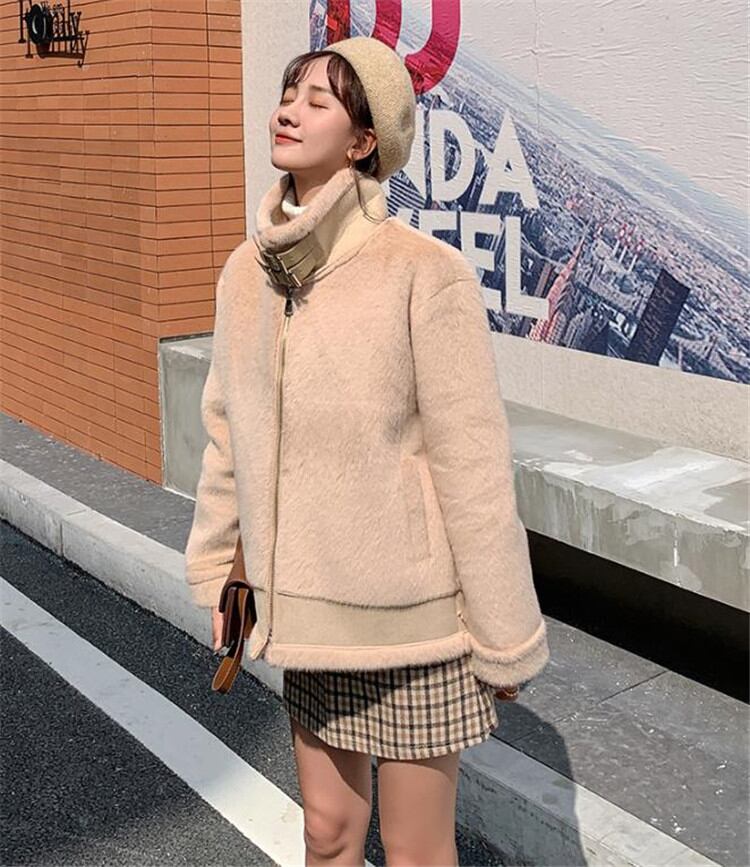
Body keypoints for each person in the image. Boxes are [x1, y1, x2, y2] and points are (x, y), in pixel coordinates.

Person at [184, 35, 550, 867]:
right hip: (307, 614)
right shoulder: (247, 273)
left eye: (319, 101)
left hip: (416, 627)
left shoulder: (424, 274)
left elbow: (472, 465)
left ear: (363, 142)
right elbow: (228, 436)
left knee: (416, 850)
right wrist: (222, 571)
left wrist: (503, 632)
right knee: (326, 832)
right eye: (289, 93)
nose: (289, 110)